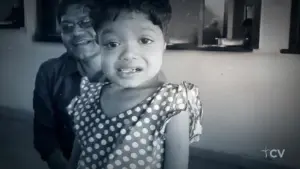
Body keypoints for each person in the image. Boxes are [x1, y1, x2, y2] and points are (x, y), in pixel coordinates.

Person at [67, 0, 204, 168]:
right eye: (112, 44)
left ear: (164, 45)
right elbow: (74, 160)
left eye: (145, 40)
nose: (129, 54)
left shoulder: (172, 104)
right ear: (100, 47)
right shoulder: (89, 97)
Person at [33, 0, 104, 169]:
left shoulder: (130, 73)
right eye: (67, 26)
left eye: (86, 23)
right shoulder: (50, 72)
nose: (77, 32)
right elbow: (44, 135)